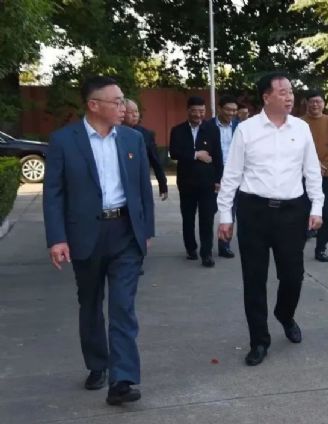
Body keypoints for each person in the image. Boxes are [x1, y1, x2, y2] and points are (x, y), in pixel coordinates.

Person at [43, 76, 154, 405]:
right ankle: (97, 364)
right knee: (90, 303)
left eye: (123, 100)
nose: (124, 107)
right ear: (94, 105)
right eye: (116, 102)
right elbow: (53, 194)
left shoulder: (133, 139)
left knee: (122, 307)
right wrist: (57, 238)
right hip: (85, 235)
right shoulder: (64, 141)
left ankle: (122, 379)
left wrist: (145, 231)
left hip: (125, 233)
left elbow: (142, 189)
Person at [217, 72, 324, 366]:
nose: (290, 97)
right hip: (254, 211)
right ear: (266, 97)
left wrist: (316, 207)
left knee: (293, 275)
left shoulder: (301, 128)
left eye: (291, 91)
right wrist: (225, 216)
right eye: (282, 92)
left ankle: (285, 314)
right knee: (254, 279)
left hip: (292, 212)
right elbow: (232, 175)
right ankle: (259, 340)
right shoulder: (246, 130)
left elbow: (312, 171)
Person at [169, 96, 223, 267]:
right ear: (188, 111)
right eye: (195, 111)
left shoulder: (212, 129)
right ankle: (190, 248)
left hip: (207, 182)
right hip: (186, 182)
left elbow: (218, 156)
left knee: (207, 218)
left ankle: (206, 253)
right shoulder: (177, 130)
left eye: (202, 111)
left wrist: (218, 179)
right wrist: (196, 154)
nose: (198, 115)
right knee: (188, 217)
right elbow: (174, 152)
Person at [301, 90, 328, 263]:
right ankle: (298, 245)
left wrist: (322, 165)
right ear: (307, 103)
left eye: (319, 101)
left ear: (323, 104)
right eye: (312, 101)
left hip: (326, 173)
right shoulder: (300, 123)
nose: (315, 105)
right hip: (303, 174)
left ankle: (321, 248)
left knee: (324, 212)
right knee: (302, 210)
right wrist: (311, 166)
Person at [123, 99, 168, 200]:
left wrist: (163, 184)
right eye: (130, 112)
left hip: (140, 183)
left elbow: (155, 160)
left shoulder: (145, 134)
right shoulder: (112, 132)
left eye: (136, 111)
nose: (135, 115)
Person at [211, 94, 239, 259]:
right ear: (219, 109)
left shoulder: (239, 127)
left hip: (234, 174)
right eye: (228, 109)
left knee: (230, 211)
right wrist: (215, 178)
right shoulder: (208, 126)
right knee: (209, 212)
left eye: (234, 110)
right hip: (213, 173)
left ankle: (224, 245)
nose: (231, 113)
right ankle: (206, 247)